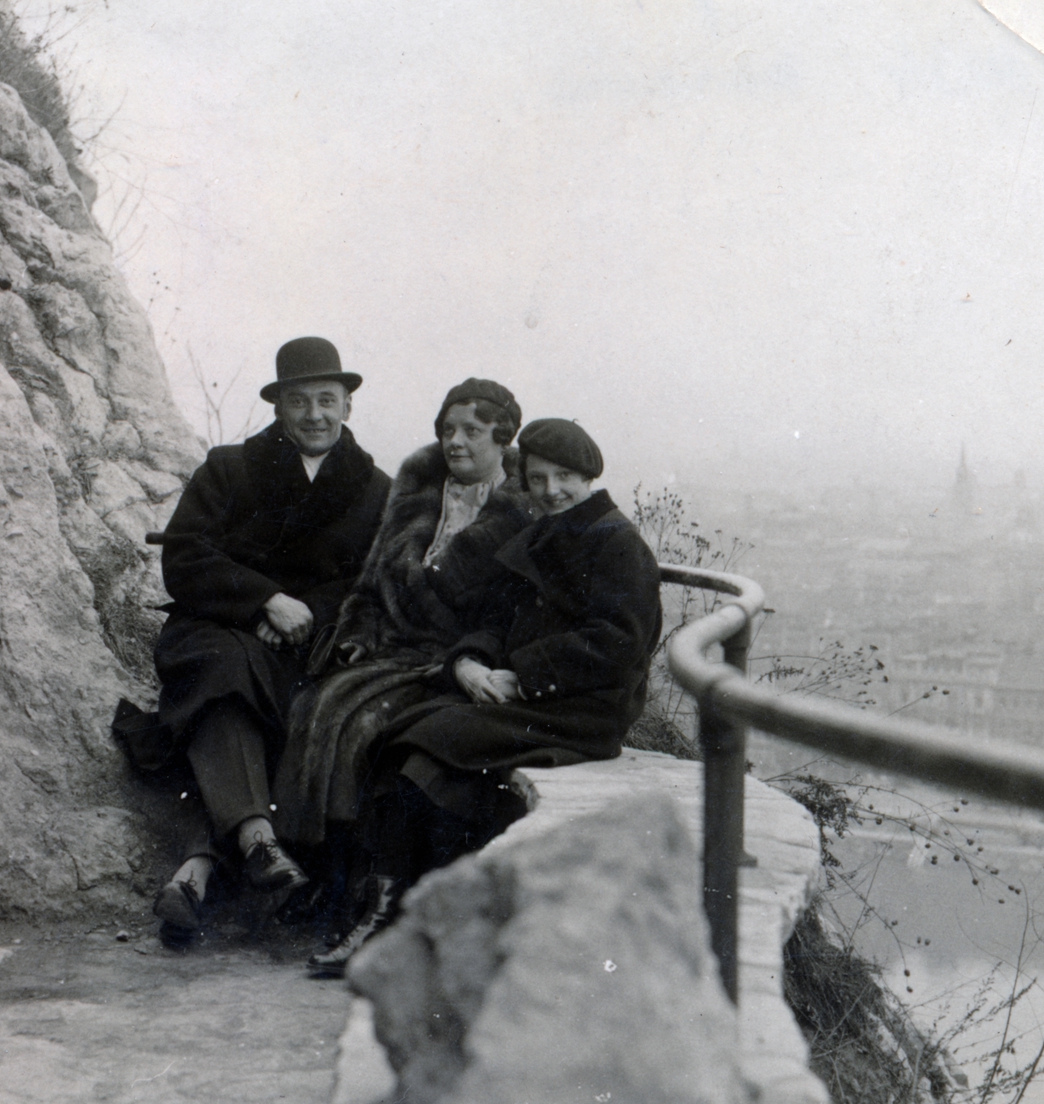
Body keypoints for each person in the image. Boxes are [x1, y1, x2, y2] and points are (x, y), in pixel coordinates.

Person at [307, 418, 663, 976]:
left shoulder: (617, 542)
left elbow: (620, 642)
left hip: (583, 709)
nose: (551, 491)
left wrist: (521, 675)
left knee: (432, 739)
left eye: (565, 477)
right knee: (413, 747)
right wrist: (470, 662)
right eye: (540, 478)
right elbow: (494, 616)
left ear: (590, 476)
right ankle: (395, 919)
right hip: (527, 696)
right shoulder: (540, 535)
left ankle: (388, 922)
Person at [271, 379, 537, 967]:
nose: (455, 442)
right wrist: (359, 633)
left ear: (504, 435)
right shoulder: (419, 487)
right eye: (448, 430)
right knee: (317, 706)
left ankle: (364, 897)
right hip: (391, 648)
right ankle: (327, 875)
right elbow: (371, 581)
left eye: (471, 431)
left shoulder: (522, 508)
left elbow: (513, 611)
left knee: (365, 725)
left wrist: (468, 658)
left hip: (453, 659)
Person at [148, 337, 391, 944]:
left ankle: (200, 868)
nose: (315, 414)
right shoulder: (229, 468)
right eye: (300, 401)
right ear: (279, 408)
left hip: (311, 642)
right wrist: (262, 600)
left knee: (281, 705)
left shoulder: (376, 489)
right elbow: (185, 556)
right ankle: (258, 839)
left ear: (348, 407)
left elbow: (373, 582)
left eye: (327, 400)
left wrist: (304, 613)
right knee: (224, 671)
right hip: (218, 625)